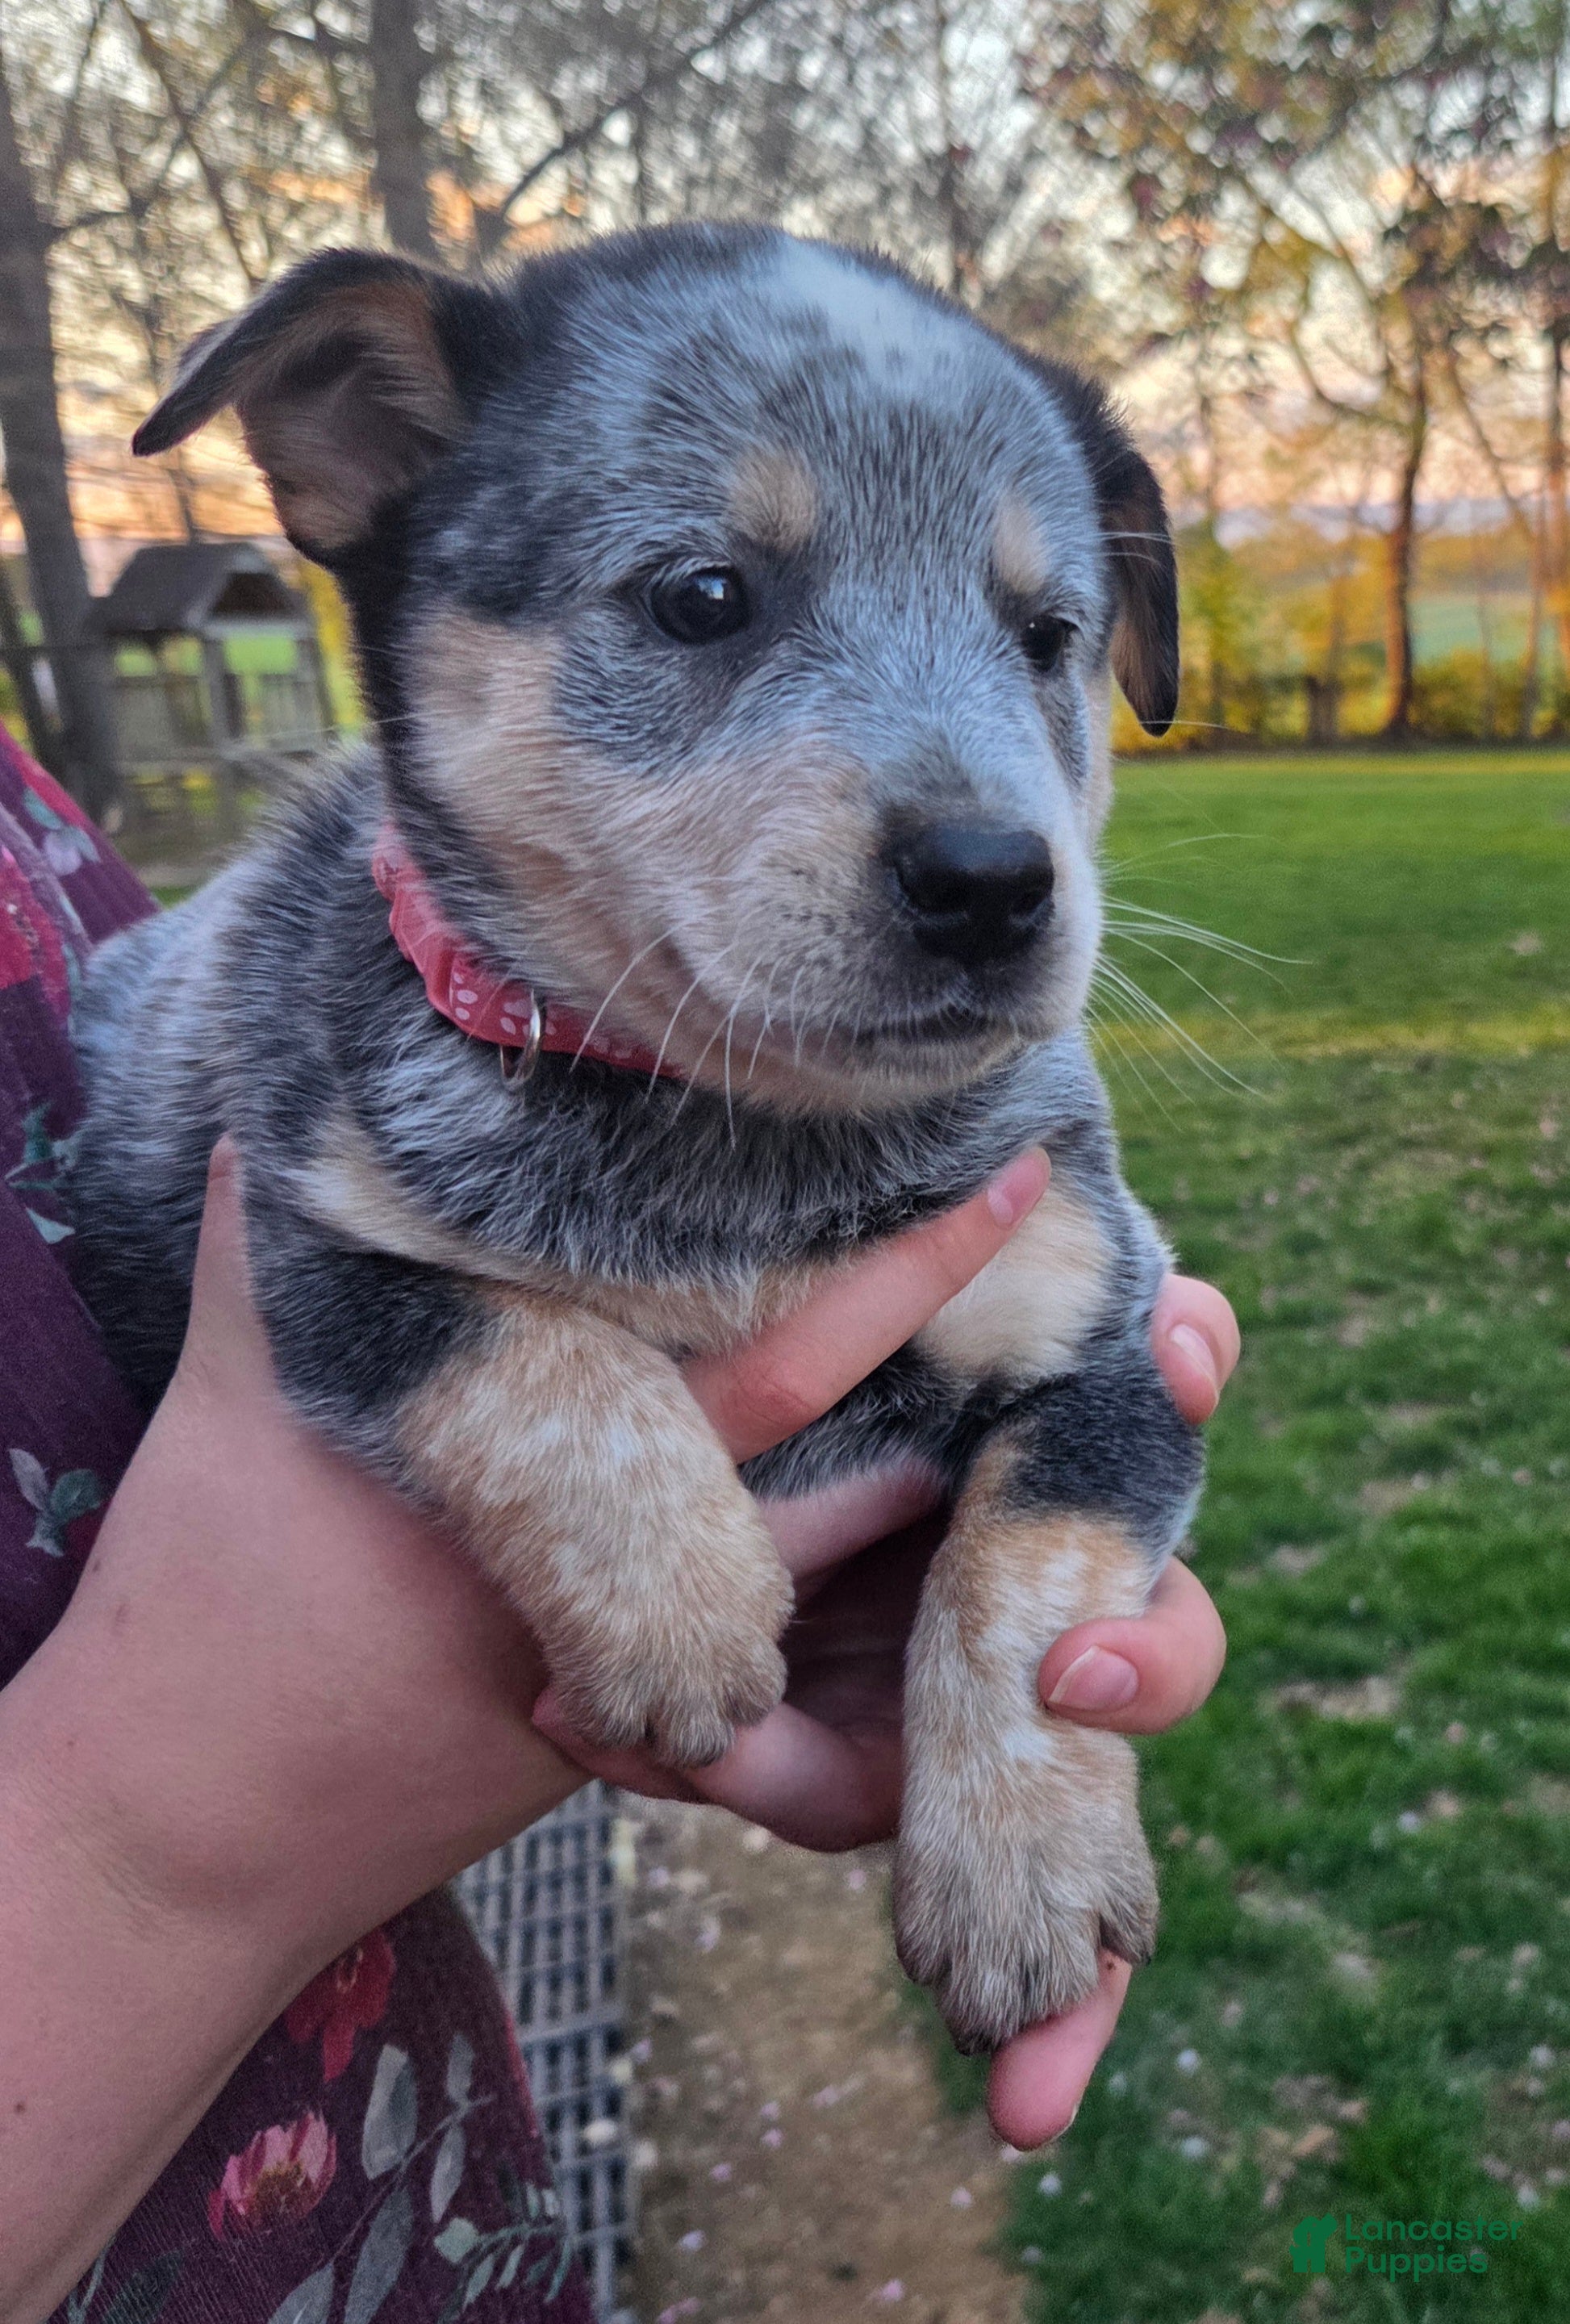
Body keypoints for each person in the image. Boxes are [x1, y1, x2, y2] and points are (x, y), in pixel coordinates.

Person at [0, 729, 1236, 2324]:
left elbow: (1104, 1366)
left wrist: (1008, 1691)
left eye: (1040, 635)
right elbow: (290, 1219)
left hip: (404, 2166)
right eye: (702, 602)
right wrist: (186, 1835)